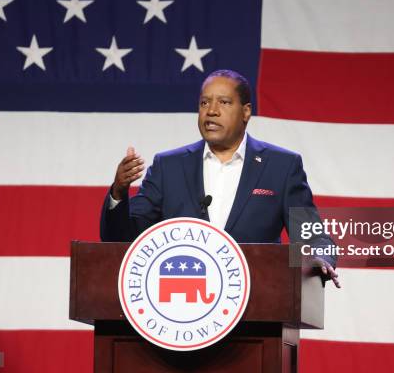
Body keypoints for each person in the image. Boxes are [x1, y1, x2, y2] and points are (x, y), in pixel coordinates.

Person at [100, 69, 340, 287]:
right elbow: (124, 239)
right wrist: (119, 192)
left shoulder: (281, 166)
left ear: (246, 112)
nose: (211, 110)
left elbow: (313, 236)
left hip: (257, 305)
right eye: (204, 102)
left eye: (223, 102)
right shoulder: (168, 166)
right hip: (181, 304)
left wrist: (319, 259)